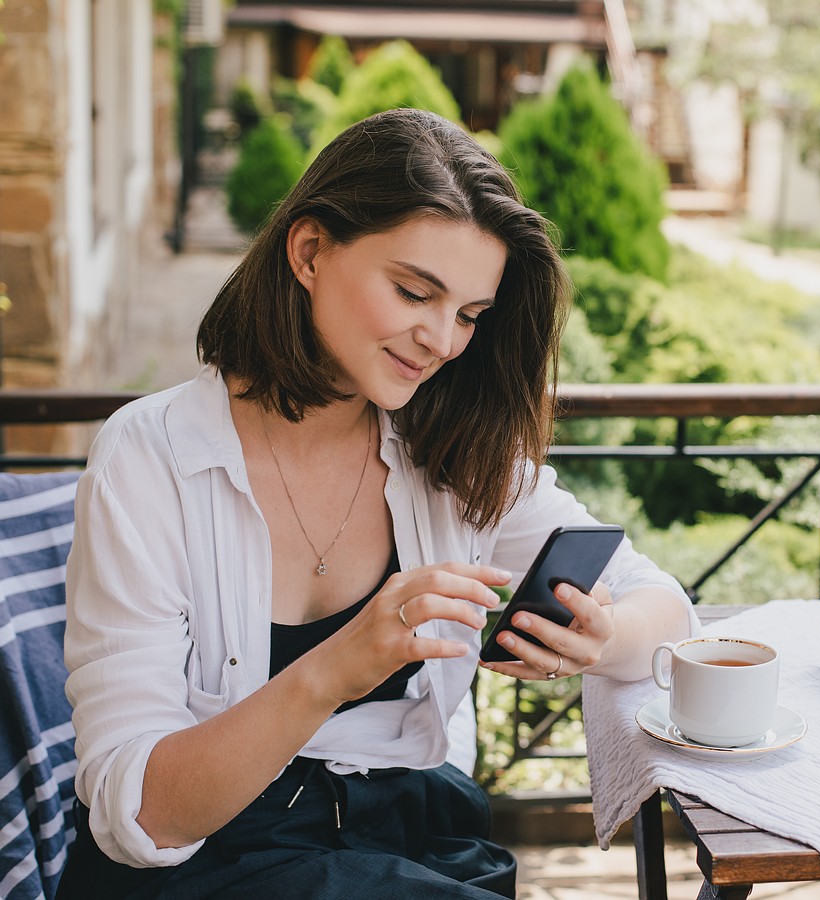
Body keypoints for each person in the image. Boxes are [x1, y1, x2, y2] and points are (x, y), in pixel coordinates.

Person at [58, 108, 698, 899]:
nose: (441, 340)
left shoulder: (454, 450)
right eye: (412, 291)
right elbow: (142, 815)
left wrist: (604, 638)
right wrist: (334, 670)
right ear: (310, 251)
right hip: (203, 865)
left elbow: (664, 608)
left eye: (469, 315)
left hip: (412, 836)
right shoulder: (148, 457)